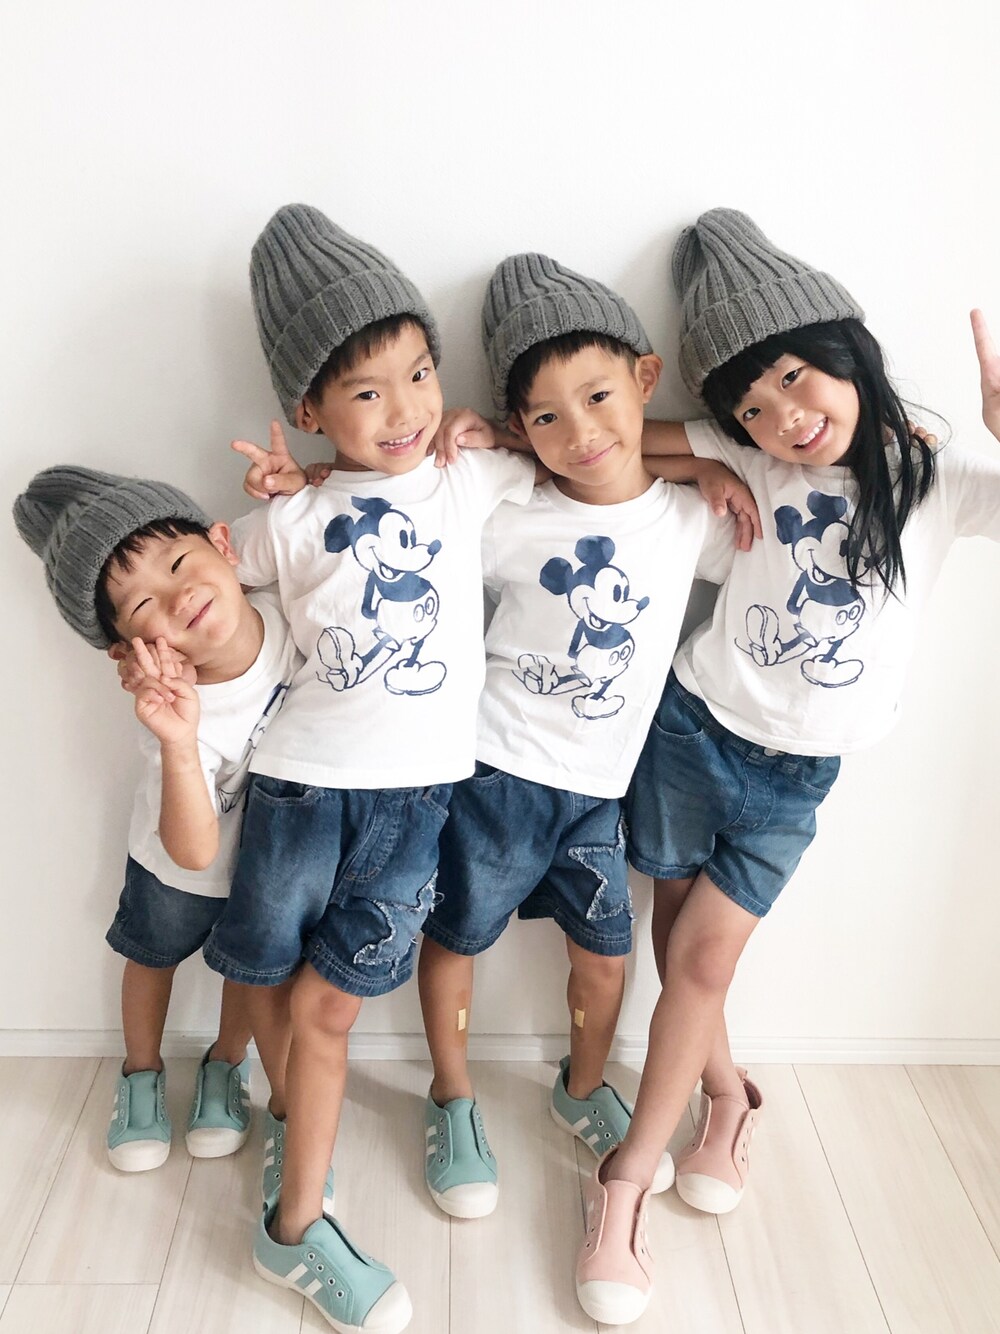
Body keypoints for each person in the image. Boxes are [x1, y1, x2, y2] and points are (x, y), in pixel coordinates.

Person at [573, 207, 1000, 1324]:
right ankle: (726, 1096)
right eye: (752, 406)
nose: (784, 419)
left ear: (848, 350)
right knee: (681, 950)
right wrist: (703, 466)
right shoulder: (752, 457)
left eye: (797, 378)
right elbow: (602, 441)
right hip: (690, 730)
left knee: (700, 961)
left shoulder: (936, 478)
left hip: (795, 779)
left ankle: (624, 1182)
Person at [203, 203, 537, 1334]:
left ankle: (291, 1209)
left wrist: (495, 428)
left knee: (329, 1006)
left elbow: (590, 453)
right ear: (310, 411)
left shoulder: (462, 479)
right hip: (300, 790)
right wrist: (279, 489)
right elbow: (207, 580)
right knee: (270, 975)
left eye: (419, 374)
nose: (405, 410)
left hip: (418, 805)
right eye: (366, 391)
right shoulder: (293, 518)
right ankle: (293, 1186)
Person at [415, 252, 753, 1221]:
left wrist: (707, 464)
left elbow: (784, 505)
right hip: (496, 772)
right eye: (545, 418)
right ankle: (451, 1097)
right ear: (519, 429)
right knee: (458, 932)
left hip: (603, 789)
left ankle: (582, 1084)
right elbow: (407, 505)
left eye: (597, 397)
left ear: (645, 379)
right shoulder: (511, 512)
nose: (579, 432)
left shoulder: (690, 519)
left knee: (604, 957)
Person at [12, 466, 298, 1172]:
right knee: (151, 956)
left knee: (248, 968)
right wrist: (177, 739)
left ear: (224, 545)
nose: (179, 596)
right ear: (125, 649)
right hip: (176, 863)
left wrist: (303, 481)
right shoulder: (173, 711)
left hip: (270, 865)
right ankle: (140, 1074)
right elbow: (193, 850)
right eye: (144, 604)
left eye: (178, 563)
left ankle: (224, 1064)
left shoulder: (293, 610)